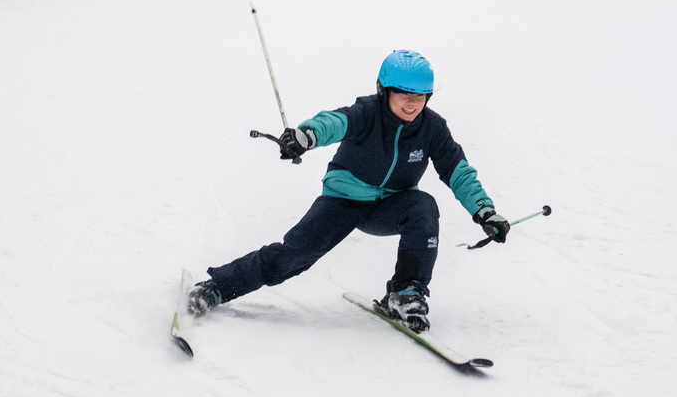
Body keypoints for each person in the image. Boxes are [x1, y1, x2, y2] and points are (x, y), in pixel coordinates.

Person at [186, 51, 510, 333]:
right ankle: (217, 287)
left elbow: (457, 169)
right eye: (404, 94)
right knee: (295, 255)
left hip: (390, 205)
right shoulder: (366, 113)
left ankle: (406, 294)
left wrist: (483, 209)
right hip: (343, 201)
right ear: (384, 91)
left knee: (423, 206)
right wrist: (305, 136)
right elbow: (333, 122)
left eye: (421, 95)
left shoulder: (432, 128)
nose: (413, 103)